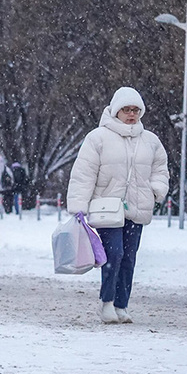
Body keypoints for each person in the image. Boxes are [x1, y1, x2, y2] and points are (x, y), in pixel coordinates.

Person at [67, 87, 169, 324]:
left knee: (129, 258)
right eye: (126, 109)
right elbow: (84, 173)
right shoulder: (98, 138)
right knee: (114, 253)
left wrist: (155, 190)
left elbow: (160, 168)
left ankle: (122, 305)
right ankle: (107, 302)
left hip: (137, 208)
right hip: (107, 209)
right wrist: (79, 205)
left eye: (135, 110)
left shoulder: (150, 140)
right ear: (116, 111)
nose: (131, 114)